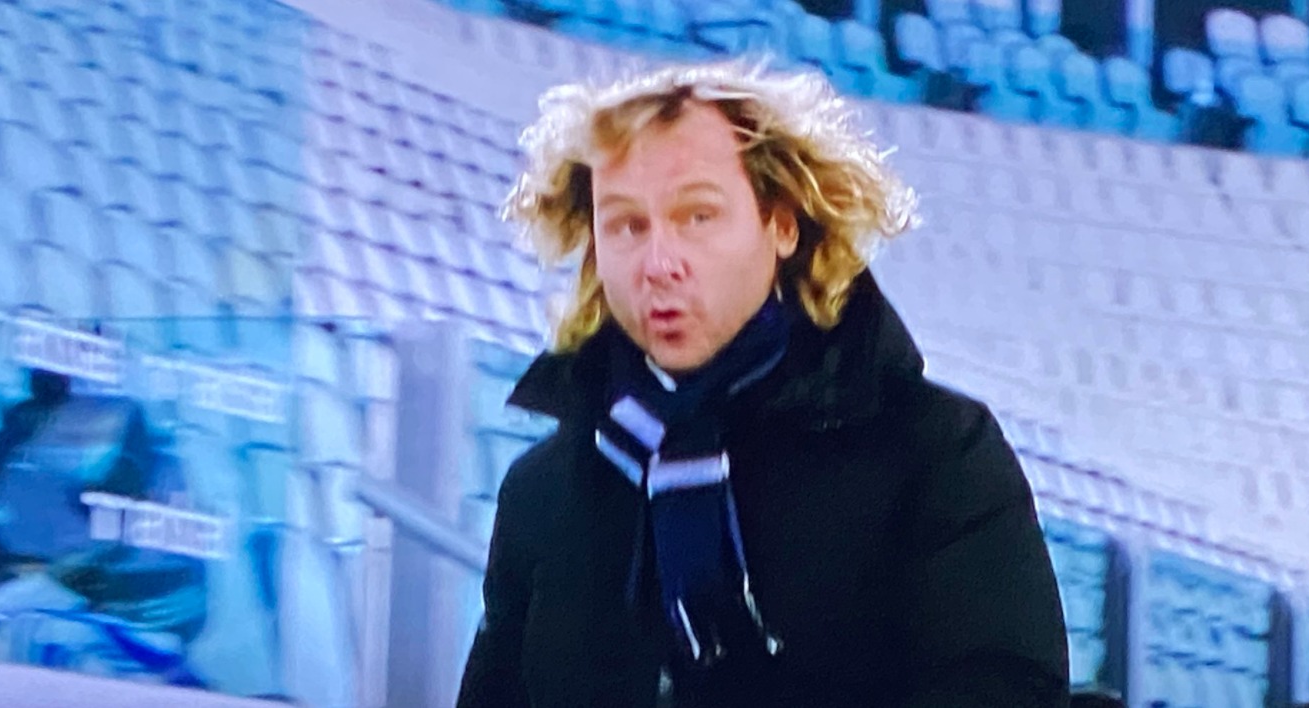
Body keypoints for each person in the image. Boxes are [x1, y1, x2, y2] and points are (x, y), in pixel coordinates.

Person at [456, 60, 1069, 708]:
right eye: (627, 225)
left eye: (698, 216)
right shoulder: (543, 494)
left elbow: (1006, 688)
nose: (659, 264)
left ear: (781, 223)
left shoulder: (935, 452)